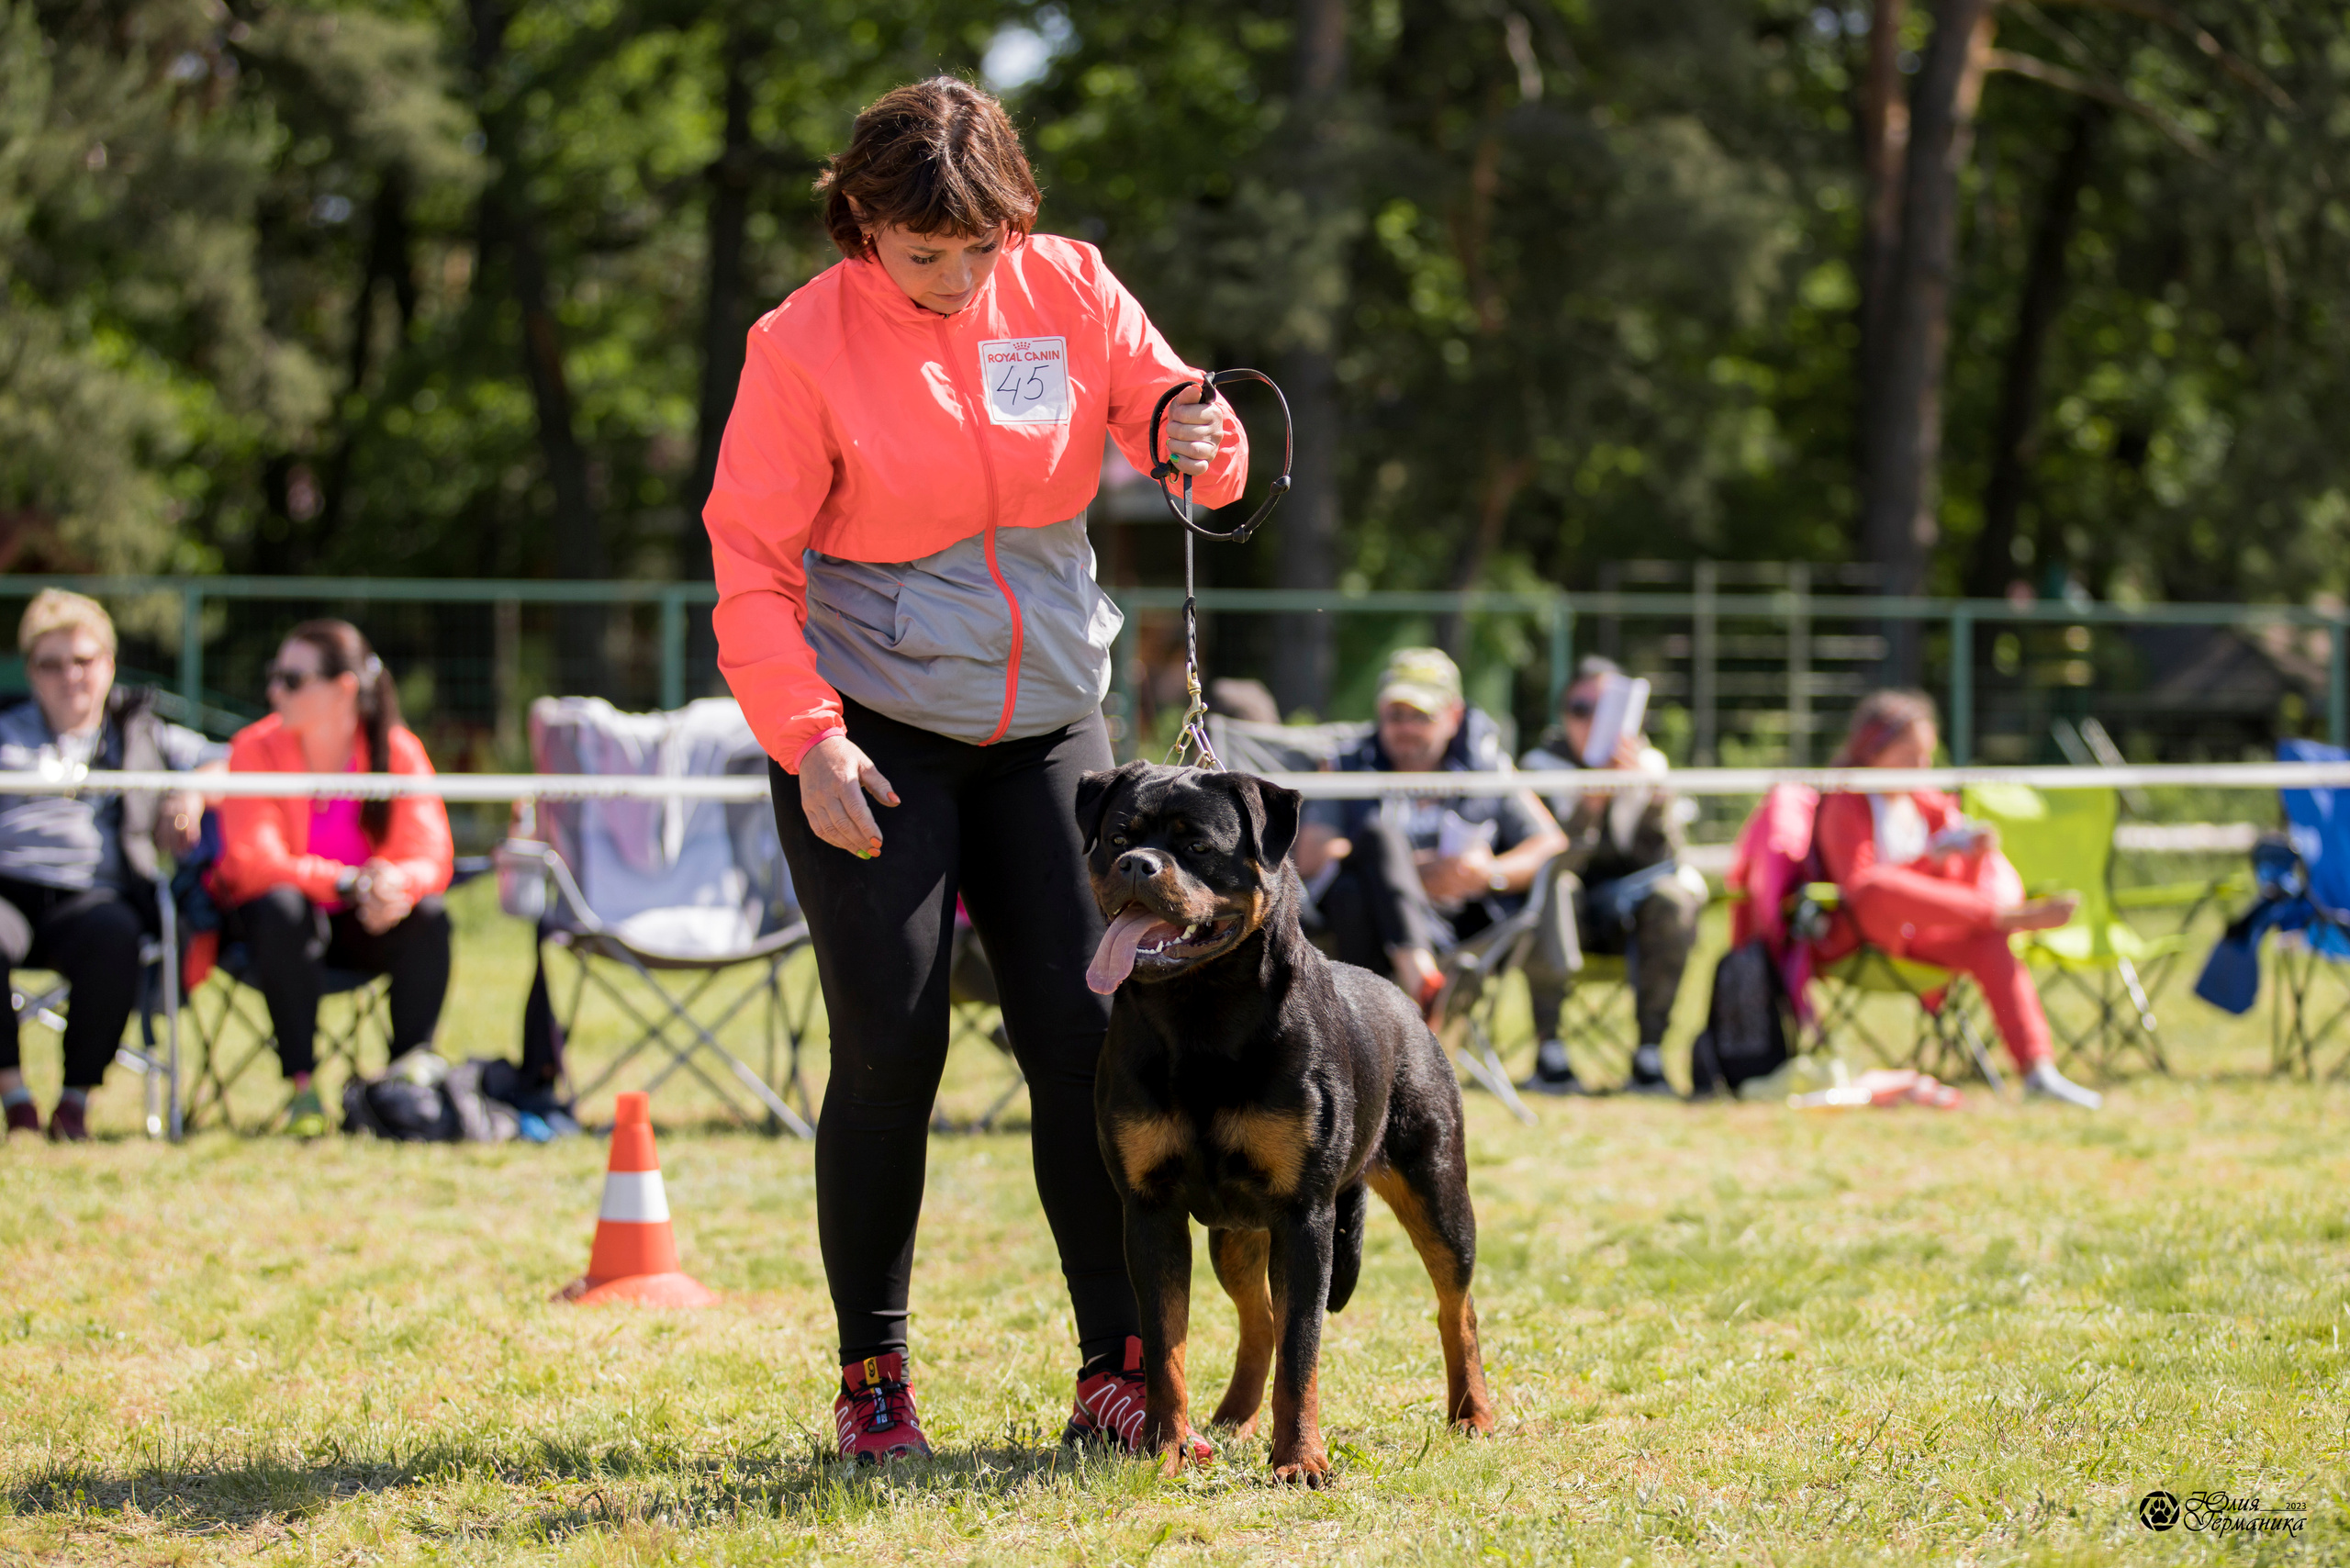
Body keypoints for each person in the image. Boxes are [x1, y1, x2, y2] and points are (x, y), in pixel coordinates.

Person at [702, 77, 1248, 1464]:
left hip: (1053, 726)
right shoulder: (799, 343)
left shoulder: (1068, 286)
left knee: (1086, 1038)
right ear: (861, 225)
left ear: (1020, 221)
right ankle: (872, 1378)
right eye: (921, 252)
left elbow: (1180, 430)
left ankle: (1121, 1366)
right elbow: (753, 572)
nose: (954, 280)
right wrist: (809, 740)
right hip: (868, 730)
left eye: (978, 249)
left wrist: (1203, 438)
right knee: (893, 1045)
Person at [209, 621, 454, 1137]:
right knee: (282, 909)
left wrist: (393, 884)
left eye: (292, 679)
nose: (275, 690)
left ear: (343, 688)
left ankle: (405, 1084)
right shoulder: (254, 748)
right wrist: (347, 881)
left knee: (430, 916)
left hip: (360, 924)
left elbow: (432, 854)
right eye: (274, 676)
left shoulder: (397, 749)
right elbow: (253, 859)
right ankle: (303, 1086)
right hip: (275, 933)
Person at [1812, 690, 2103, 1109]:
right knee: (1875, 887)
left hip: (1931, 934)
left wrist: (1972, 849)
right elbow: (1858, 890)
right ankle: (2005, 916)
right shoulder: (1847, 802)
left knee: (1991, 942)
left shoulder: (1926, 800)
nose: (1921, 768)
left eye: (1926, 757)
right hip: (1866, 938)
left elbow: (1960, 862)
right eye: (1909, 756)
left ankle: (2039, 1072)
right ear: (1874, 752)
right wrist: (1931, 859)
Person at [0, 590, 216, 1140]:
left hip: (94, 895)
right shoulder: (7, 727)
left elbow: (232, 756)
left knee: (115, 934)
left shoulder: (139, 732)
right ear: (30, 671)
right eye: (51, 664)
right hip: (9, 890)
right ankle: (16, 1100)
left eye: (83, 661)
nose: (69, 676)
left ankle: (75, 1105)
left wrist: (189, 792)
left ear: (109, 665)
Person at [1293, 648, 1568, 1013]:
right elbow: (1313, 853)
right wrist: (1406, 873)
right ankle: (1421, 984)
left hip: (1459, 927)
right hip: (1361, 925)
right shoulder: (1346, 763)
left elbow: (1551, 843)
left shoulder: (1485, 766)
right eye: (1395, 715)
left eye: (1421, 715)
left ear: (1454, 715)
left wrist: (1489, 874)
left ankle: (1378, 1019)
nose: (1405, 728)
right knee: (1376, 844)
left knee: (1372, 856)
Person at [1512, 656, 1700, 1096]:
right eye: (1581, 709)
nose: (1593, 721)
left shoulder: (1650, 764)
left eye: (1607, 710)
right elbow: (1549, 859)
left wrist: (1651, 799)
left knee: (1674, 898)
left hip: (1632, 916)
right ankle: (1550, 1051)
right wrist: (1589, 806)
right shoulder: (1539, 767)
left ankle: (1650, 1055)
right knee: (1556, 886)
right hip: (1567, 916)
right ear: (1563, 715)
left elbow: (1668, 857)